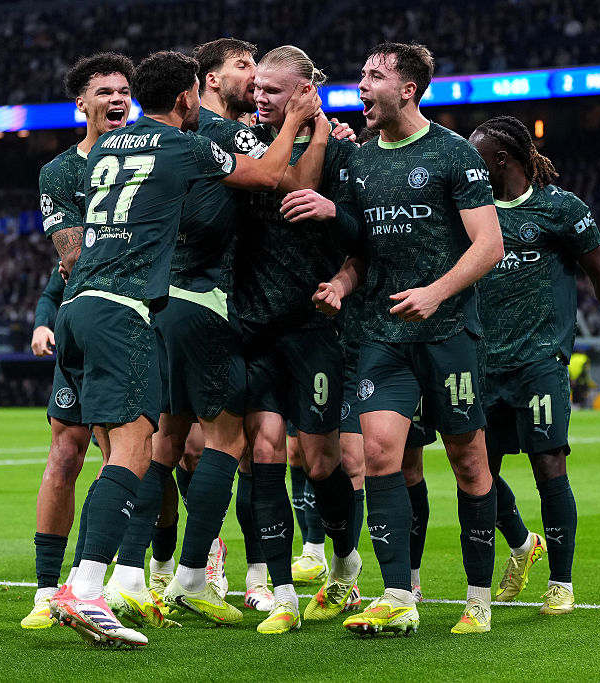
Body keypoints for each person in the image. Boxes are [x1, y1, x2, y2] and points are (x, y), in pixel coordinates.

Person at [48, 50, 321, 648]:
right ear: (187, 98)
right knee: (133, 451)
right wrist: (299, 120)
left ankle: (101, 581)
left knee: (136, 448)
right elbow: (273, 175)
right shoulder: (187, 146)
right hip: (127, 311)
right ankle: (87, 588)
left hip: (79, 306)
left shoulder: (104, 152)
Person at [283, 42, 505, 636]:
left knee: (468, 462)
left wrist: (435, 292)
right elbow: (363, 251)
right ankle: (399, 595)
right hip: (383, 332)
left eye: (373, 76)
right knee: (379, 454)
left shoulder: (454, 154)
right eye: (361, 74)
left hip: (449, 330)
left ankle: (478, 599)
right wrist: (340, 280)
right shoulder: (359, 162)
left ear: (407, 89)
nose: (361, 85)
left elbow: (490, 245)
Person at [467, 115, 600, 616]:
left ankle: (561, 582)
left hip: (540, 360)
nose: (468, 163)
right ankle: (522, 544)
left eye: (476, 154)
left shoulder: (561, 209)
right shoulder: (471, 212)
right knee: (476, 469)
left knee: (549, 467)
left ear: (501, 159)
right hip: (482, 361)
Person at [231, 44, 363, 635]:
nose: (259, 98)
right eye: (255, 87)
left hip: (314, 326)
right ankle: (281, 591)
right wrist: (296, 126)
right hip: (255, 326)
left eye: (272, 91)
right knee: (263, 454)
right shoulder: (247, 145)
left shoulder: (343, 152)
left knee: (319, 460)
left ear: (305, 90)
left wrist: (339, 274)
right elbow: (283, 186)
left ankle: (343, 564)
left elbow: (361, 237)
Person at [21, 52, 136, 632]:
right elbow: (70, 257)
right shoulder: (62, 173)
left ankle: (118, 579)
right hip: (88, 321)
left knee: (132, 454)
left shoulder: (150, 156)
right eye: (105, 91)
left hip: (140, 319)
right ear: (81, 105)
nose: (118, 99)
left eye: (125, 90)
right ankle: (47, 588)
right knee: (68, 452)